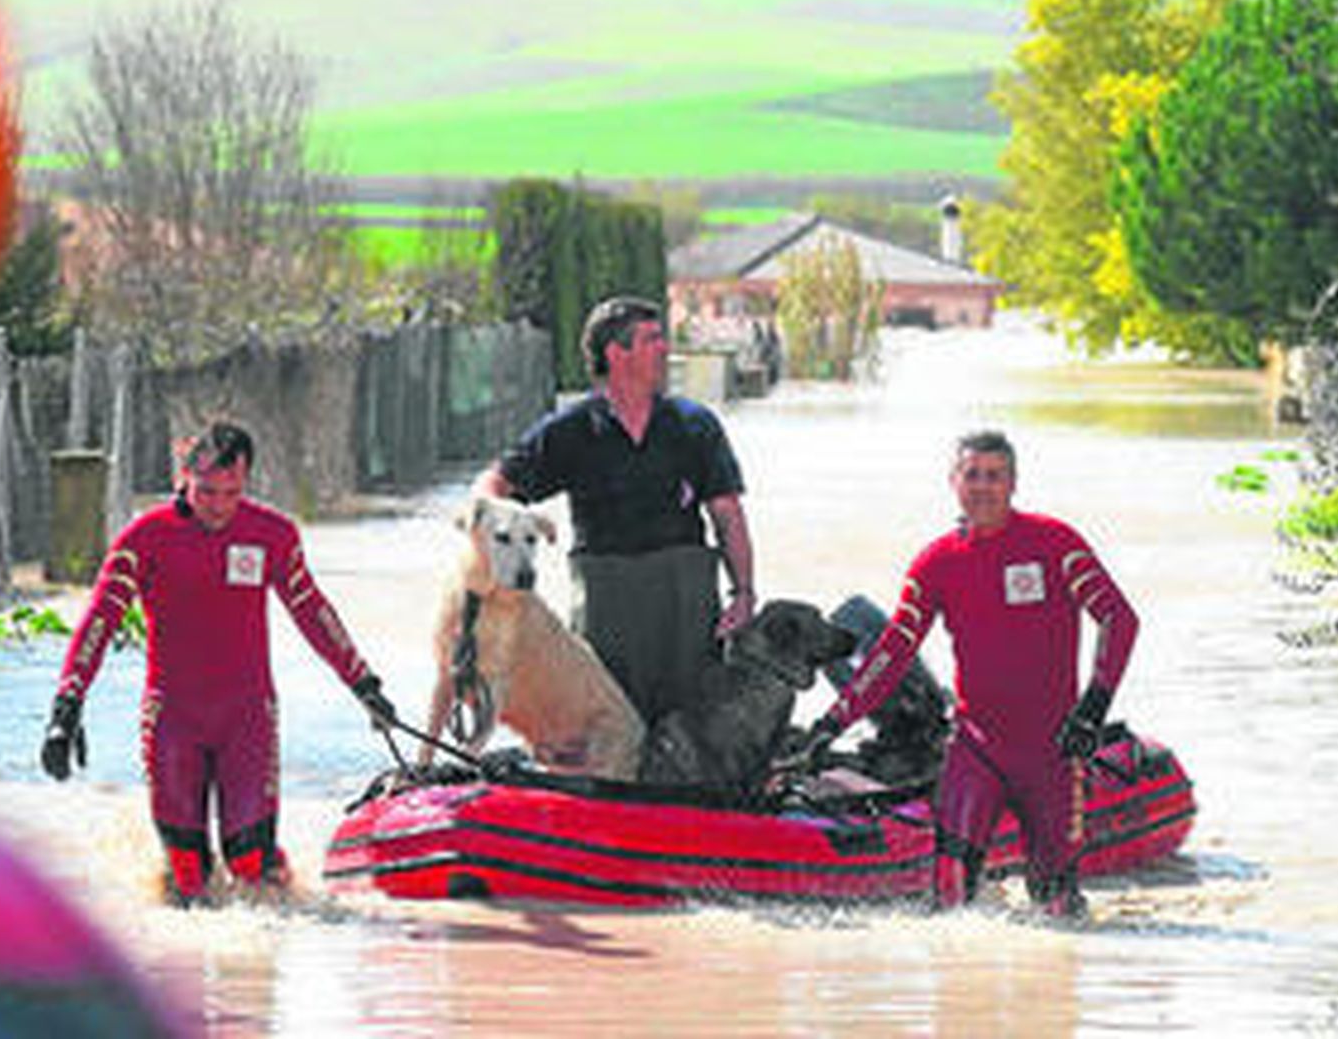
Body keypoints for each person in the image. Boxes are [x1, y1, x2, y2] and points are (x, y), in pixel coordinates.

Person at [39, 422, 397, 906]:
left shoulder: (272, 535)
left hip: (247, 718)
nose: (219, 506)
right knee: (187, 878)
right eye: (206, 491)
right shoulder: (144, 538)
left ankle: (284, 923)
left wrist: (364, 685)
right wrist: (67, 707)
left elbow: (314, 613)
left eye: (232, 493)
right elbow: (99, 621)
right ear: (184, 475)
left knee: (250, 864)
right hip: (173, 719)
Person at [803, 430, 1138, 918]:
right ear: (954, 482)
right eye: (972, 475)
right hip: (977, 750)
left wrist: (1093, 707)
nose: (982, 486)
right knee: (950, 902)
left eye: (994, 476)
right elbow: (893, 650)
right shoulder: (936, 562)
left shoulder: (1055, 542)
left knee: (1057, 908)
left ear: (1013, 483)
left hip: (1052, 752)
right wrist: (832, 723)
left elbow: (1119, 619)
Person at [472, 295, 757, 727]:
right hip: (608, 601)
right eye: (652, 339)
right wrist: (498, 542)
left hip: (686, 604)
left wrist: (744, 593)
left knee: (690, 725)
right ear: (616, 353)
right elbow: (494, 485)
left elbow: (728, 515)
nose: (665, 348)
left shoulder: (695, 424)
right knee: (608, 723)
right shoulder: (571, 430)